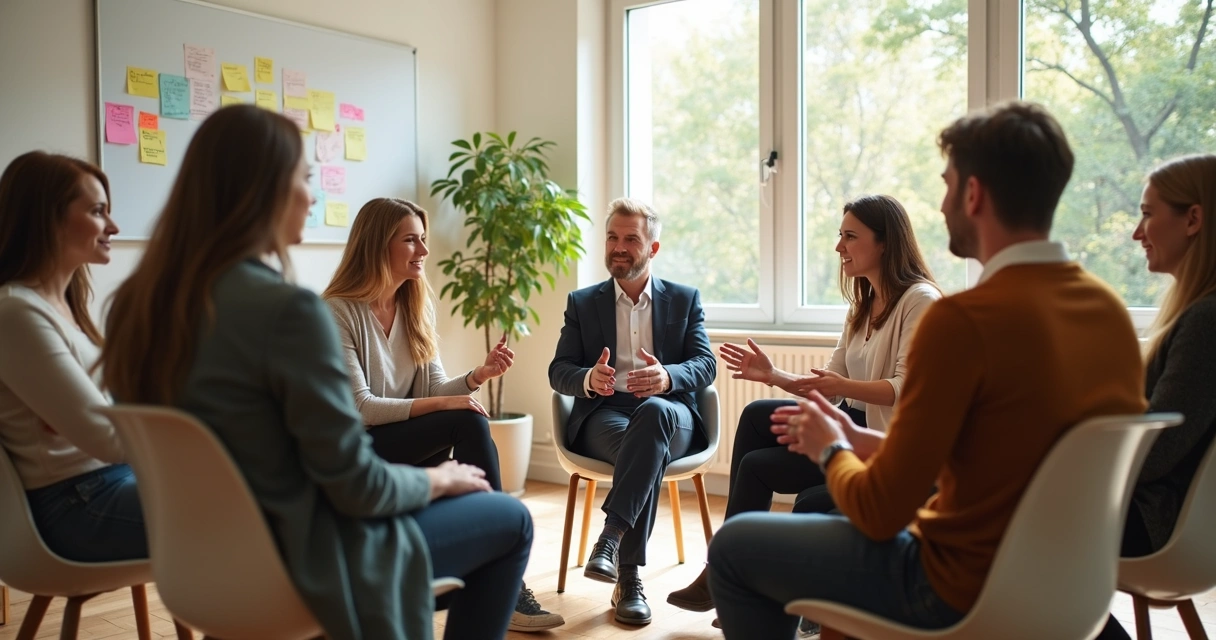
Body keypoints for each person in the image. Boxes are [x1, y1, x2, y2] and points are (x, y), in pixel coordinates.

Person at [707, 101, 1148, 638]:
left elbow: (878, 511)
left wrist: (831, 449)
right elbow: (985, 461)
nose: (941, 206)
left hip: (957, 588)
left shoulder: (960, 321)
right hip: (1075, 590)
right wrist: (854, 436)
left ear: (974, 193)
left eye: (946, 185)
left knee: (734, 547)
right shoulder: (1110, 317)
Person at [99, 105, 531, 640]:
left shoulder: (131, 308)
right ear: (262, 191)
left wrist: (466, 386)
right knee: (511, 520)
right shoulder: (292, 313)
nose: (312, 195)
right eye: (304, 178)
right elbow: (357, 487)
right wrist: (438, 479)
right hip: (297, 563)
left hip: (193, 567)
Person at [668, 194, 940, 616]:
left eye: (850, 236)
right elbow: (827, 386)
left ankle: (731, 577)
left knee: (761, 465)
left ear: (885, 243)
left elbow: (905, 388)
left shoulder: (919, 300)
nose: (839, 247)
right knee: (758, 419)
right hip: (849, 417)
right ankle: (722, 568)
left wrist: (845, 385)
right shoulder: (862, 306)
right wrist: (772, 374)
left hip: (879, 438)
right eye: (839, 235)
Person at [322, 196, 563, 633]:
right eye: (411, 240)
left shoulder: (416, 305)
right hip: (361, 455)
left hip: (403, 444)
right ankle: (503, 570)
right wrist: (446, 404)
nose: (424, 251)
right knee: (464, 418)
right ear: (378, 246)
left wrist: (476, 376)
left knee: (467, 415)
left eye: (423, 239)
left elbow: (434, 391)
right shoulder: (338, 311)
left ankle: (498, 567)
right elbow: (360, 408)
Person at [549, 197, 717, 625]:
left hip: (669, 411)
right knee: (643, 448)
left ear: (652, 249)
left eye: (630, 239)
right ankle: (629, 575)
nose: (618, 247)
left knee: (655, 416)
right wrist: (589, 379)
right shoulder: (583, 302)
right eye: (611, 237)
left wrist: (667, 377)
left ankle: (613, 543)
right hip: (606, 413)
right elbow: (559, 370)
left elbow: (705, 363)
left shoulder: (684, 299)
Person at [0, 151, 145, 562]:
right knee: (253, 510)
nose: (113, 227)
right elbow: (107, 437)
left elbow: (110, 413)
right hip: (76, 505)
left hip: (106, 484)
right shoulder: (16, 313)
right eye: (99, 211)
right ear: (47, 218)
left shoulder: (60, 307)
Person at [1096, 154, 1216, 640]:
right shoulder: (1196, 315)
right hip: (1160, 514)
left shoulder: (1206, 322)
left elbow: (1155, 451)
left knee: (993, 524)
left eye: (1148, 213)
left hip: (1156, 522)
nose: (1136, 232)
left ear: (1193, 219)